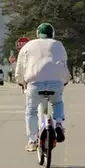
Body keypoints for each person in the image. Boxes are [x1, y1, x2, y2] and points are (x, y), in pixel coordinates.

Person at [13, 22, 71, 152]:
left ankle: (32, 141)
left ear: (38, 34)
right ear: (52, 34)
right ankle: (59, 123)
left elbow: (20, 68)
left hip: (34, 83)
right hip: (56, 82)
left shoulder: (28, 45)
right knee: (57, 102)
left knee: (31, 111)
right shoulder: (58, 45)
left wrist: (21, 82)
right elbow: (63, 65)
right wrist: (65, 80)